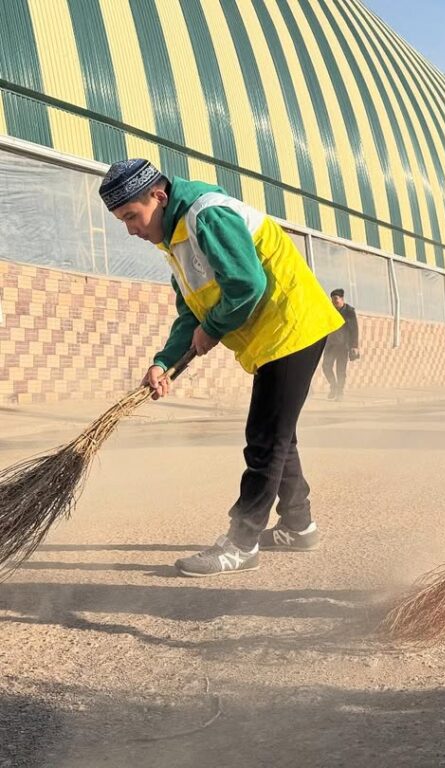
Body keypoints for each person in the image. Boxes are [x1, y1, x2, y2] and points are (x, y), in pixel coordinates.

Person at [99, 159, 342, 576]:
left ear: (158, 196)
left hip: (293, 327)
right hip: (274, 339)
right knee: (279, 436)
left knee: (264, 440)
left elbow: (247, 285)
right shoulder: (174, 242)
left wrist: (212, 328)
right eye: (122, 221)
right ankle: (298, 526)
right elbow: (190, 314)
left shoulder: (206, 216)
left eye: (132, 216)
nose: (131, 229)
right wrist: (164, 362)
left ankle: (241, 544)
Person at [322, 288, 360, 400]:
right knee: (326, 366)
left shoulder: (349, 312)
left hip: (343, 346)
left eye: (336, 299)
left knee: (341, 370)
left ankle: (340, 392)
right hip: (331, 345)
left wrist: (354, 346)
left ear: (342, 299)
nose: (334, 302)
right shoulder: (330, 310)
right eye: (332, 299)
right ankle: (333, 386)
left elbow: (354, 329)